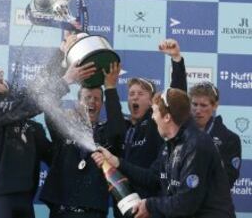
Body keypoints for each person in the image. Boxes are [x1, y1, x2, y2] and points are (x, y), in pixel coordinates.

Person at [0, 57, 96, 218]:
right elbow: (30, 105)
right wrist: (66, 80)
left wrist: (61, 53)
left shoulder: (8, 101)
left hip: (24, 197)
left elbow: (38, 85)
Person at [92, 88, 236, 218]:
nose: (153, 118)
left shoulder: (195, 144)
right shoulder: (170, 144)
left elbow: (187, 203)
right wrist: (116, 161)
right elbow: (153, 178)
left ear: (167, 117)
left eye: (154, 112)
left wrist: (149, 205)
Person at [40, 62, 125, 218]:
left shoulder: (106, 133)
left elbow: (119, 129)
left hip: (92, 213)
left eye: (97, 99)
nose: (92, 102)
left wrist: (111, 88)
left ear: (101, 105)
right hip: (61, 212)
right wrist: (66, 79)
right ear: (78, 102)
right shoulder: (65, 128)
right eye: (87, 97)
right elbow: (48, 105)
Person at [112, 39, 187, 216]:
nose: (134, 98)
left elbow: (177, 97)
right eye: (131, 94)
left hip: (149, 206)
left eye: (140, 94)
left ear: (152, 100)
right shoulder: (123, 126)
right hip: (123, 205)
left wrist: (176, 60)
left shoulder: (156, 122)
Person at [189, 81, 242, 188]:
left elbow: (228, 179)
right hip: (180, 202)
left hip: (211, 203)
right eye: (194, 104)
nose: (198, 110)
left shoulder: (230, 139)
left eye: (203, 105)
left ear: (215, 106)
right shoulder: (180, 133)